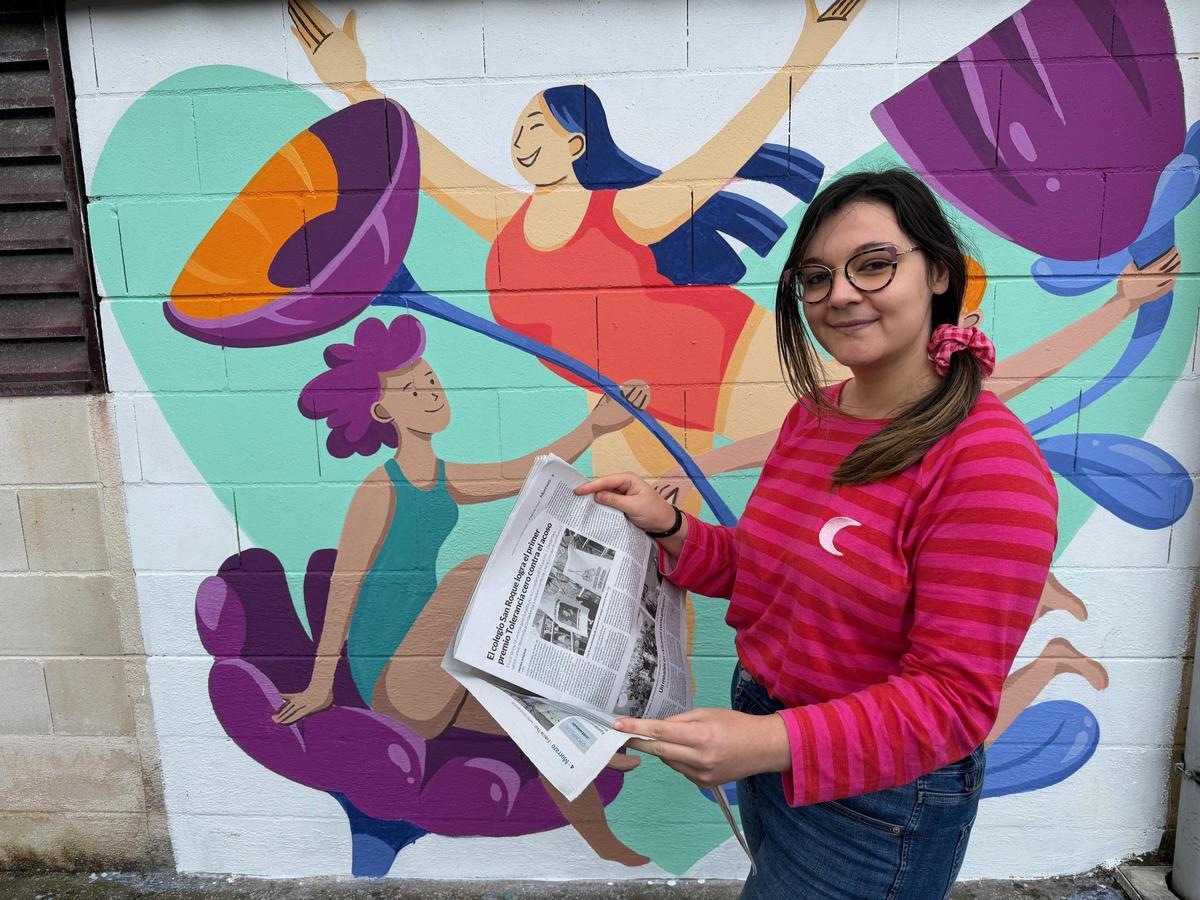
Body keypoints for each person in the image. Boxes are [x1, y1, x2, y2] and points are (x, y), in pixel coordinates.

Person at [575, 169, 1061, 897]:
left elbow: (953, 701)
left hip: (879, 801)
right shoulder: (817, 415)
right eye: (815, 277)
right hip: (772, 745)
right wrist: (670, 527)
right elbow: (773, 572)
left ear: (937, 273)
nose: (839, 294)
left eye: (873, 265)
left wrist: (770, 744)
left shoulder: (987, 462)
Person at [286, 0, 862, 486]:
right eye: (516, 134)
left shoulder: (625, 213)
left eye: (536, 128)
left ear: (578, 144)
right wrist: (354, 85)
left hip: (718, 354)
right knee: (639, 558)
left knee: (839, 444)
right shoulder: (507, 220)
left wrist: (807, 52)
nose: (520, 142)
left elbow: (723, 152)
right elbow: (432, 164)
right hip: (623, 399)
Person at [271, 314, 652, 865]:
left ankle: (601, 841)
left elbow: (525, 471)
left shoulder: (444, 477)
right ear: (383, 413)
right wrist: (319, 684)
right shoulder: (381, 488)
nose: (431, 393)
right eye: (412, 389)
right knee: (477, 568)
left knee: (539, 725)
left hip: (431, 669)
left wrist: (595, 428)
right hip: (392, 681)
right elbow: (344, 586)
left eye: (431, 381)